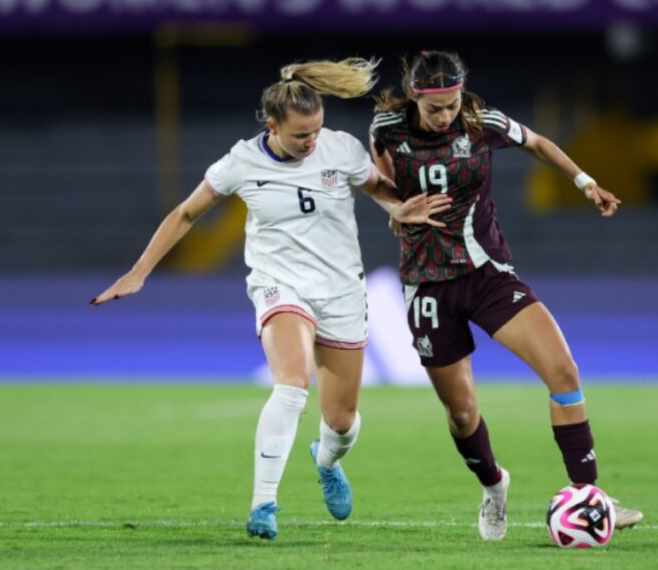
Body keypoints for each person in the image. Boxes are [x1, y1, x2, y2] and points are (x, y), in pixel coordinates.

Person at [91, 57, 450, 541]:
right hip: (279, 283)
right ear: (272, 125)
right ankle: (264, 504)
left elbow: (379, 189)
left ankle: (325, 462)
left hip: (341, 288)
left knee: (341, 422)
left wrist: (399, 207)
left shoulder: (340, 150)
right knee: (292, 383)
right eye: (301, 134)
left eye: (317, 131)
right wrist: (139, 272)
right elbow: (185, 214)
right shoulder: (240, 163)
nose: (311, 142)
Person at [369, 50, 642, 541]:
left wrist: (585, 182)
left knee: (563, 370)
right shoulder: (386, 127)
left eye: (452, 104)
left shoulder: (479, 122)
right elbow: (379, 181)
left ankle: (590, 494)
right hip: (427, 282)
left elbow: (535, 141)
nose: (446, 114)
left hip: (487, 273)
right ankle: (494, 487)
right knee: (462, 412)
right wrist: (394, 207)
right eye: (436, 108)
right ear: (414, 98)